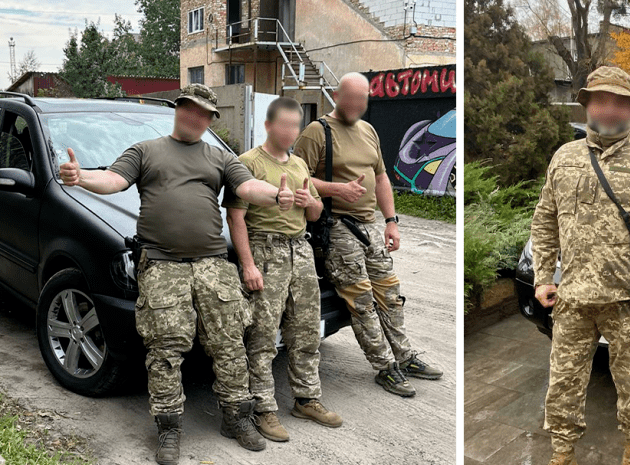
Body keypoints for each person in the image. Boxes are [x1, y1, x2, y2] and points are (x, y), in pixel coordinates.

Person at [58, 84, 292, 465]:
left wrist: (276, 195)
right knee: (165, 349)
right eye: (190, 109)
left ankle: (236, 418)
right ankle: (169, 428)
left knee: (230, 344)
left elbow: (247, 186)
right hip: (163, 264)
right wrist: (80, 177)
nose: (196, 117)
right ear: (179, 109)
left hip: (213, 264)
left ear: (211, 119)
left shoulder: (219, 157)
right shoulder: (146, 151)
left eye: (205, 114)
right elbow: (114, 180)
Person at [530, 66, 630, 465]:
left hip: (628, 303)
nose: (610, 109)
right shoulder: (564, 159)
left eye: (620, 102)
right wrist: (542, 277)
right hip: (573, 299)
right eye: (602, 99)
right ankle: (562, 453)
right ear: (588, 104)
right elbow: (545, 219)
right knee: (563, 384)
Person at [292, 72, 442, 398]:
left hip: (369, 227)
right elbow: (293, 177)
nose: (357, 105)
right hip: (336, 227)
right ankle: (385, 367)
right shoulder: (317, 133)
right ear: (336, 95)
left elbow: (382, 177)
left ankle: (405, 356)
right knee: (361, 303)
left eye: (363, 100)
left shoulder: (368, 130)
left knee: (390, 295)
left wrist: (391, 221)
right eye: (351, 98)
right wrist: (336, 189)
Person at [224, 97, 343, 443]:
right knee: (262, 336)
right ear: (268, 125)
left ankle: (306, 398)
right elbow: (236, 217)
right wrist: (248, 265)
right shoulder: (247, 163)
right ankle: (263, 408)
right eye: (285, 125)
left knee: (306, 331)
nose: (291, 132)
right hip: (265, 250)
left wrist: (311, 203)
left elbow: (315, 215)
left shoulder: (300, 166)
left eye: (296, 126)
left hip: (300, 251)